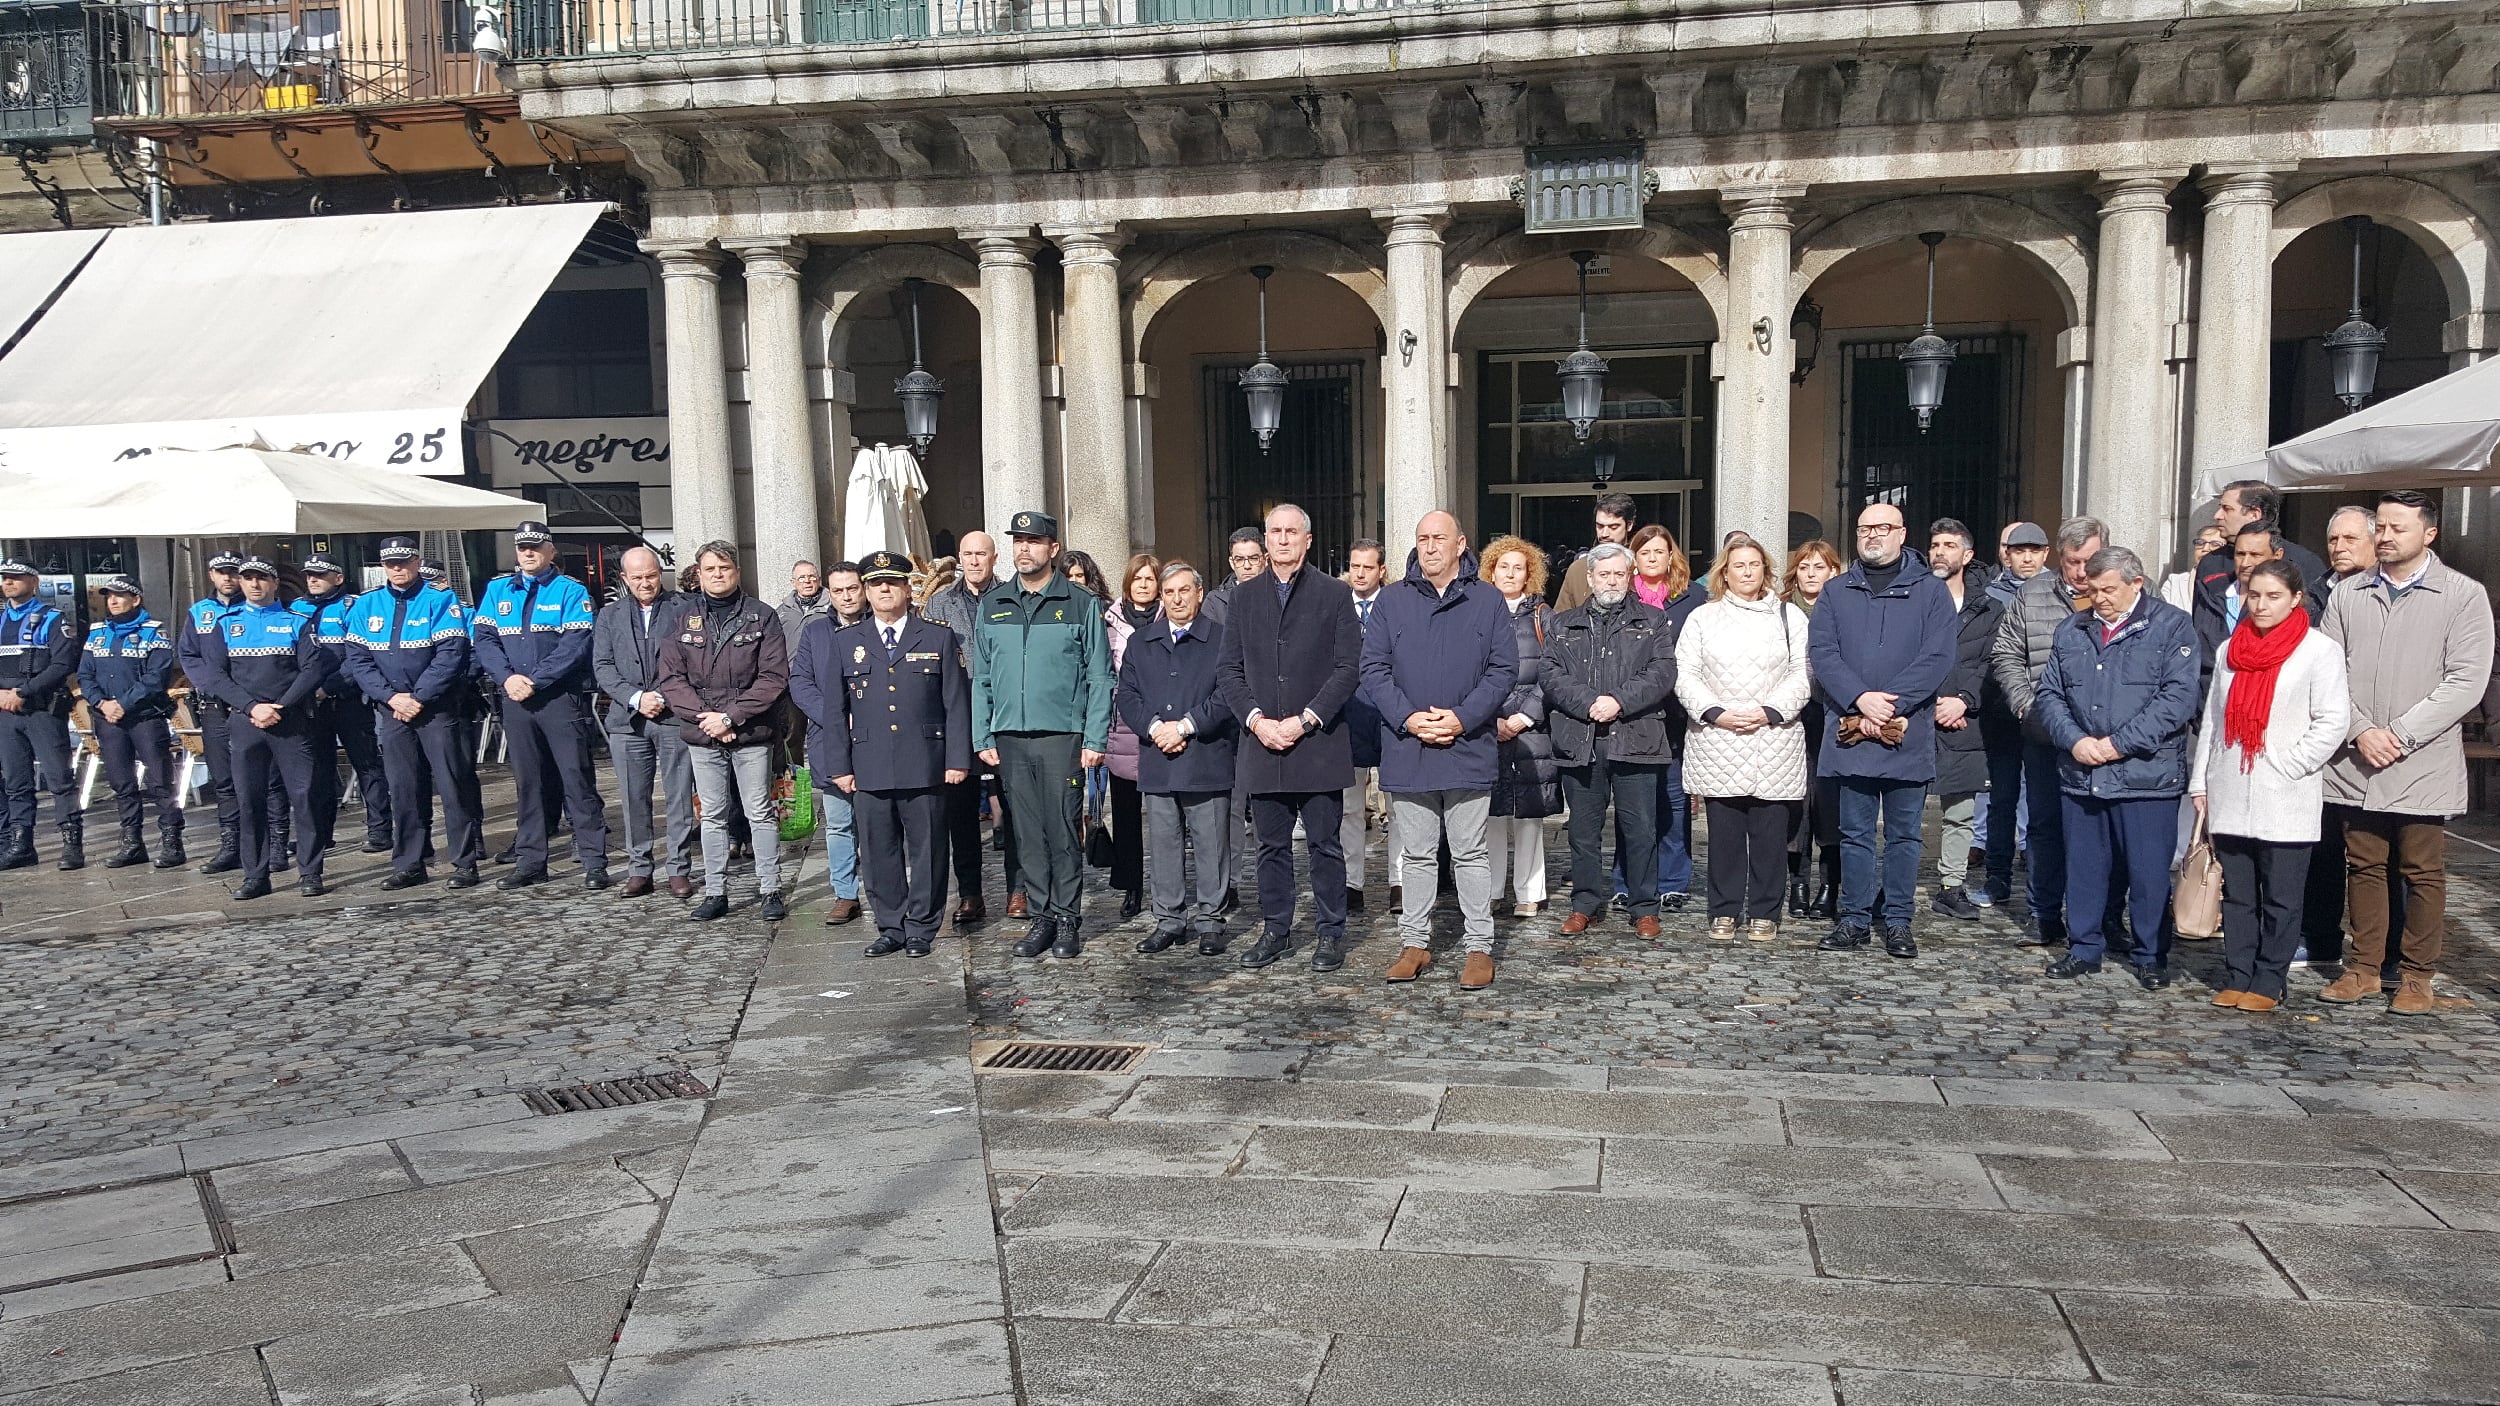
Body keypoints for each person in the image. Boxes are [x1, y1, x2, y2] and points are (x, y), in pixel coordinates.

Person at [2318, 490, 2496, 1015]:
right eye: (2383, 527)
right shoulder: (2350, 594)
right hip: (2358, 757)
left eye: (2398, 527)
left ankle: (2417, 975)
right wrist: (2359, 730)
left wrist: (2399, 733)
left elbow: (2466, 681)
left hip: (2420, 760)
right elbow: (2326, 672)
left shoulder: (2463, 595)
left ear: (2429, 534)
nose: (2386, 536)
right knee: (2364, 863)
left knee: (2421, 869)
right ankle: (2365, 967)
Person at [2034, 546, 2202, 986]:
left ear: (2136, 584)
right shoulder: (2073, 629)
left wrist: (2117, 745)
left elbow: (2177, 701)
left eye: (2109, 589)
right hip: (2082, 771)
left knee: (2148, 873)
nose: (2100, 598)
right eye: (2093, 589)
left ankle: (2150, 954)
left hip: (2146, 775)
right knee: (2085, 868)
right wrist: (2075, 740)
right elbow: (2049, 694)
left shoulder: (2171, 627)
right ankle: (2084, 946)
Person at [1366, 510, 1520, 990]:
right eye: (1422, 539)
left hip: (1467, 744)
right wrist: (1410, 718)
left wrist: (1461, 718)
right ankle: (1415, 943)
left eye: (1439, 538)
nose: (1430, 546)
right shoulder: (1391, 601)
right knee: (1416, 854)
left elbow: (1503, 669)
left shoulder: (1488, 599)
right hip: (1408, 746)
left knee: (1470, 851)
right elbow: (1372, 668)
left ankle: (1479, 947)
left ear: (1461, 544)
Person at [2190, 559, 2350, 1012]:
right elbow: (2214, 723)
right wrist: (2202, 780)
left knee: (2280, 895)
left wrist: (2290, 763)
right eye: (2253, 595)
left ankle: (2269, 977)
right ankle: (2239, 972)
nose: (2260, 605)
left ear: (2296, 598)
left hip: (2285, 790)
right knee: (2237, 894)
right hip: (2230, 784)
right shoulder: (2229, 651)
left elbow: (2333, 720)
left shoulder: (2318, 651)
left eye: (2272, 596)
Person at [1218, 503, 1364, 971]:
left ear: (1308, 539)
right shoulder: (1243, 598)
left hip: (1317, 740)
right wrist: (1257, 720)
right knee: (1270, 847)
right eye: (1275, 532)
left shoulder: (1334, 594)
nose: (1282, 540)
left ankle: (1329, 932)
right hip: (1261, 742)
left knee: (1325, 844)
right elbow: (1228, 669)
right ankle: (1275, 929)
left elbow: (1348, 668)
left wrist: (1306, 719)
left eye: (1291, 532)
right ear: (1265, 540)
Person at [1809, 502, 1957, 960]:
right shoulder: (1835, 592)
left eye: (1882, 528)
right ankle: (1854, 918)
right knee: (1853, 832)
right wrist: (1860, 699)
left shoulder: (1931, 592)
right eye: (1864, 528)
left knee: (1905, 834)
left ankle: (1897, 921)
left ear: (1901, 533)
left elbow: (1937, 656)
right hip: (1851, 728)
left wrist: (1891, 703)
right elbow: (1824, 653)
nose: (1872, 535)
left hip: (1906, 728)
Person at [810, 550, 970, 958]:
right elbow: (834, 711)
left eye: (892, 582)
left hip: (926, 762)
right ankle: (891, 926)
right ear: (865, 591)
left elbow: (955, 703)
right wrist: (839, 768)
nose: (884, 589)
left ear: (906, 588)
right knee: (879, 852)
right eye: (876, 583)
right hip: (869, 764)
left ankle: (921, 926)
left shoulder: (937, 636)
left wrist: (956, 760)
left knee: (929, 850)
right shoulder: (846, 642)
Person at [974, 511, 1113, 959]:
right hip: (1011, 736)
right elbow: (982, 678)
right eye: (1017, 540)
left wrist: (1094, 738)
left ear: (1053, 548)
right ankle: (1042, 918)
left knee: (1063, 831)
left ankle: (1068, 917)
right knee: (1027, 833)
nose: (1023, 549)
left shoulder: (1079, 603)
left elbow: (1099, 675)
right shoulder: (993, 605)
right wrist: (983, 734)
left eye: (1034, 541)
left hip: (1063, 735)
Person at [1676, 533, 1811, 941]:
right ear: (1725, 573)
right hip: (1719, 736)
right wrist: (1716, 712)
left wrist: (1770, 711)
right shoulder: (1703, 617)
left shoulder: (1790, 617)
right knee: (1725, 835)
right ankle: (1724, 909)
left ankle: (1766, 911)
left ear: (1765, 570)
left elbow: (1802, 672)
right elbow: (1685, 672)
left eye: (1754, 564)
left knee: (1771, 834)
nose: (1747, 571)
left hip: (1774, 735)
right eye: (1739, 565)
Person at [1545, 543, 1676, 939]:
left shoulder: (1653, 621)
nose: (1612, 581)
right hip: (1580, 738)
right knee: (1582, 831)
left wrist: (1618, 701)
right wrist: (1590, 704)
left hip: (1636, 736)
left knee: (1640, 829)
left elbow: (1662, 672)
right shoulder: (1563, 623)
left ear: (1630, 575)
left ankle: (1644, 907)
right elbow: (1550, 675)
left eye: (1620, 574)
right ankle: (1585, 903)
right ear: (1590, 578)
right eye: (1604, 574)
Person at [658, 540, 793, 923]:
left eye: (725, 568)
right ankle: (716, 891)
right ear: (698, 574)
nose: (718, 575)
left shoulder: (761, 616)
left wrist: (730, 718)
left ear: (737, 571)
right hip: (703, 733)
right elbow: (671, 677)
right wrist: (708, 718)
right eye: (710, 569)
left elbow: (772, 677)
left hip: (750, 732)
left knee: (760, 813)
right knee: (713, 815)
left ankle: (770, 889)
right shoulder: (681, 618)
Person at [473, 520, 609, 890]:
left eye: (535, 547)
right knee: (528, 783)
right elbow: (484, 639)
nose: (528, 553)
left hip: (557, 698)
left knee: (575, 778)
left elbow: (576, 644)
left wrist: (536, 680)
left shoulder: (569, 590)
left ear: (550, 551)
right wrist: (507, 678)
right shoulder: (497, 589)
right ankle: (531, 860)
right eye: (522, 548)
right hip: (516, 698)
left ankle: (594, 859)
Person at [1991, 516, 2106, 947]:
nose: (2080, 571)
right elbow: (2006, 653)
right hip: (2045, 731)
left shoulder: (2125, 592)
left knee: (2098, 829)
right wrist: (2025, 704)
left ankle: (2101, 918)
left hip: (2103, 737)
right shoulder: (2034, 594)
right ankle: (2044, 913)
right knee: (2044, 825)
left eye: (2089, 561)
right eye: (2073, 561)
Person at [345, 535, 484, 890]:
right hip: (392, 711)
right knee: (404, 789)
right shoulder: (366, 605)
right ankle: (410, 862)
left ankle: (464, 861)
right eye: (390, 563)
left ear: (417, 561)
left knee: (453, 787)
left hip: (435, 709)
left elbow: (451, 654)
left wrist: (418, 697)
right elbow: (359, 661)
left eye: (404, 561)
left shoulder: (440, 599)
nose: (397, 568)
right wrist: (393, 699)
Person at [1116, 562, 1238, 955]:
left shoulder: (1221, 639)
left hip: (1205, 755)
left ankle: (1210, 920)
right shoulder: (1141, 641)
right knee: (1164, 845)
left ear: (1199, 593)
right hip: (1158, 757)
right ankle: (1169, 920)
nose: (1177, 599)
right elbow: (1128, 696)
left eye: (1184, 591)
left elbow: (1227, 695)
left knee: (1210, 843)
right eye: (1169, 593)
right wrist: (1154, 728)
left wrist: (1185, 726)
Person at [193, 555, 328, 899]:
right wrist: (253, 707)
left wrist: (281, 705)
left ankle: (310, 872)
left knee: (304, 797)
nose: (254, 584)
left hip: (291, 720)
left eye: (261, 578)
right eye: (247, 578)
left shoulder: (297, 621)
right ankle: (255, 874)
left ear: (274, 583)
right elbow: (215, 674)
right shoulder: (226, 623)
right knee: (249, 800)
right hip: (246, 721)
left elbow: (312, 669)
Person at [592, 546, 696, 901]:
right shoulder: (609, 615)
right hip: (627, 719)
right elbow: (602, 665)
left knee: (679, 795)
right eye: (636, 578)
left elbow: (691, 660)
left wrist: (665, 697)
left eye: (650, 575)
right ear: (624, 579)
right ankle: (640, 868)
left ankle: (679, 869)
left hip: (672, 716)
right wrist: (636, 697)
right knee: (634, 798)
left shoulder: (685, 609)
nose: (645, 583)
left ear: (660, 573)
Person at [2303, 504, 2380, 965]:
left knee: (2377, 854)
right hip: (2322, 742)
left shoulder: (2380, 593)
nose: (2339, 547)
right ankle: (2320, 937)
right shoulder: (2313, 594)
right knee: (2323, 847)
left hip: (2376, 737)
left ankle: (2382, 951)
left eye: (2351, 539)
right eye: (2334, 539)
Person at [924, 529, 1007, 925]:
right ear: (959, 558)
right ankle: (971, 893)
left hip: (1006, 715)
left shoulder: (1013, 597)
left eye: (981, 554)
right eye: (967, 554)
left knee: (1015, 810)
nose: (974, 561)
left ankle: (1019, 889)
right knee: (961, 814)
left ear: (994, 558)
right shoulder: (938, 604)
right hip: (957, 717)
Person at [75, 575, 185, 870]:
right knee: (122, 783)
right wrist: (101, 703)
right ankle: (132, 842)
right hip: (108, 719)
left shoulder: (154, 632)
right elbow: (85, 674)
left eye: (120, 595)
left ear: (136, 600)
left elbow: (155, 677)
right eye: (109, 595)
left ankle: (172, 840)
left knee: (161, 781)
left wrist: (122, 704)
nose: (112, 600)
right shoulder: (97, 632)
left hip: (145, 718)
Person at [1926, 519, 2006, 920]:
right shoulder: (1914, 599)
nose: (1940, 552)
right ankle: (1893, 886)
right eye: (1936, 545)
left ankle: (1951, 886)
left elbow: (1994, 661)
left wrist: (1962, 699)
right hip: (1917, 716)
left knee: (1960, 811)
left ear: (1968, 555)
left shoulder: (1990, 608)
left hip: (1965, 720)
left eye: (1949, 545)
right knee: (1901, 809)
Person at [1623, 523, 1706, 911]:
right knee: (1631, 803)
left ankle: (1674, 880)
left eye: (1659, 551)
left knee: (1674, 800)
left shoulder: (1693, 599)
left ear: (1671, 555)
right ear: (1634, 558)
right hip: (1632, 713)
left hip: (1675, 713)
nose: (1652, 558)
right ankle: (1626, 880)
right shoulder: (1619, 596)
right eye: (1644, 552)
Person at [1481, 536, 1561, 918]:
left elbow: (1553, 672)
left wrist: (1525, 715)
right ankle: (1493, 890)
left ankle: (1530, 891)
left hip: (1531, 727)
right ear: (1491, 572)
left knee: (1529, 816)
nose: (1511, 574)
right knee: (1491, 815)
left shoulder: (1543, 616)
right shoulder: (1477, 611)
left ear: (1530, 573)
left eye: (1518, 567)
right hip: (1488, 725)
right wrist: (1489, 717)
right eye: (1503, 567)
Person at [293, 556, 392, 856]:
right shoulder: (297, 609)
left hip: (349, 699)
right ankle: (321, 835)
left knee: (367, 765)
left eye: (320, 575)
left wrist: (330, 687)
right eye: (309, 574)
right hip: (312, 704)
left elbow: (360, 656)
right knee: (318, 770)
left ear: (337, 578)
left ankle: (380, 831)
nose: (313, 580)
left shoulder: (354, 605)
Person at [796, 561, 868, 925]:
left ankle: (883, 889)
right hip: (830, 739)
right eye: (838, 590)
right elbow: (801, 683)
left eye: (852, 588)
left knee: (878, 821)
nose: (846, 596)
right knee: (839, 822)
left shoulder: (879, 627)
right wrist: (837, 719)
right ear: (829, 592)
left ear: (863, 588)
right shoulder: (815, 632)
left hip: (877, 741)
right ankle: (845, 893)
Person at [0, 560, 82, 871]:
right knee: (16, 781)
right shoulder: (0, 620)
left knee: (60, 780)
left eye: (15, 578)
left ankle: (71, 843)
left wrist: (22, 692)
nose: (8, 583)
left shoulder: (52, 619)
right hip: (7, 713)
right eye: (4, 578)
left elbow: (62, 664)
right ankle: (21, 844)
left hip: (42, 710)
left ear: (33, 582)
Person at [177, 551, 249, 874]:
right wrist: (215, 686)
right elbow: (188, 656)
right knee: (223, 780)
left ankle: (270, 842)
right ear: (211, 575)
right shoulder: (199, 612)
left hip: (249, 706)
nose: (228, 578)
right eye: (222, 572)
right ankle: (230, 843)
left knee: (262, 777)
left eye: (233, 572)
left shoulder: (256, 609)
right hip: (214, 707)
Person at [1782, 541, 1843, 917]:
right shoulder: (1782, 611)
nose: (1810, 574)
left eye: (1818, 567)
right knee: (1796, 804)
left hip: (1832, 713)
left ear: (1832, 572)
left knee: (1830, 804)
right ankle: (1798, 883)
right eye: (1804, 567)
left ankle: (1830, 886)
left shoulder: (1844, 607)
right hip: (1795, 715)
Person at [1101, 553, 1162, 920]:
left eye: (1149, 579)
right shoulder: (1108, 620)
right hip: (1121, 725)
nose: (1142, 584)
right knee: (1125, 815)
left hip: (1160, 723)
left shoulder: (1168, 616)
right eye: (1137, 578)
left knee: (1166, 815)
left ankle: (1168, 887)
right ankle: (1132, 886)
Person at [2194, 479, 2331, 625]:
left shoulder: (2305, 563)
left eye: (2227, 508)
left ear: (2254, 514)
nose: (2217, 515)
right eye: (2240, 554)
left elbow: (2311, 620)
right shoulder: (2211, 562)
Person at [1340, 539, 1390, 913]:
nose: (1358, 573)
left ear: (1381, 571)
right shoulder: (1337, 607)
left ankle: (1400, 883)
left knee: (1401, 806)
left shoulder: (1395, 605)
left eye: (1367, 567)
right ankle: (1350, 883)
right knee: (1349, 808)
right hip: (1349, 715)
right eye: (1354, 566)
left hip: (1390, 715)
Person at [1553, 492, 1639, 613]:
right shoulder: (1578, 569)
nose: (1604, 534)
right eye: (1600, 526)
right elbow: (1559, 620)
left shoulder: (1641, 566)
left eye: (1613, 527)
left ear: (1629, 525)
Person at [1199, 527, 1267, 629]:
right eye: (1239, 559)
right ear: (1232, 562)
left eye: (1253, 559)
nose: (1247, 566)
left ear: (1266, 560)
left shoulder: (1281, 595)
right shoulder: (1216, 602)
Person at [2161, 524, 2229, 610]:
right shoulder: (2175, 582)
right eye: (2200, 543)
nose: (2205, 548)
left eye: (2215, 544)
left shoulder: (2234, 584)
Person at [1986, 522, 2051, 608]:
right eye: (2019, 552)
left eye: (2035, 552)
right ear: (2008, 555)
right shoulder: (1991, 596)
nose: (2027, 559)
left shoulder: (2062, 593)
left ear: (2045, 553)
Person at [776, 559, 832, 654]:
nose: (807, 581)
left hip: (823, 666)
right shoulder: (782, 611)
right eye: (801, 578)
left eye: (812, 577)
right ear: (793, 582)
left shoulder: (833, 606)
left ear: (819, 580)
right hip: (791, 667)